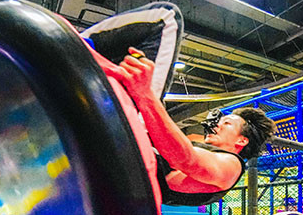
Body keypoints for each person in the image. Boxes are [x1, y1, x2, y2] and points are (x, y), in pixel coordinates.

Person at [106, 47, 275, 206]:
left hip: (119, 178)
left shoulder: (232, 166)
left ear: (241, 140)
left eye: (227, 123)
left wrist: (146, 95)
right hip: (119, 166)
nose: (217, 124)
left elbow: (185, 159)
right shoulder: (205, 150)